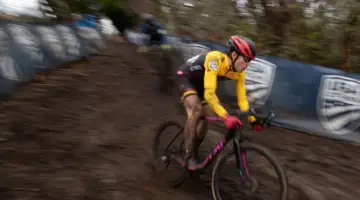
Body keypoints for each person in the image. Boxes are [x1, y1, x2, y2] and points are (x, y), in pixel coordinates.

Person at [176, 35, 263, 168]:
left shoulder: (240, 72)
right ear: (234, 55)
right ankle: (188, 156)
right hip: (186, 78)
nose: (247, 65)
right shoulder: (215, 59)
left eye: (249, 61)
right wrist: (226, 116)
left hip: (201, 86)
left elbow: (242, 98)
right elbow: (209, 93)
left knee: (207, 117)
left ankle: (194, 150)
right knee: (196, 109)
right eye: (246, 59)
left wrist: (252, 118)